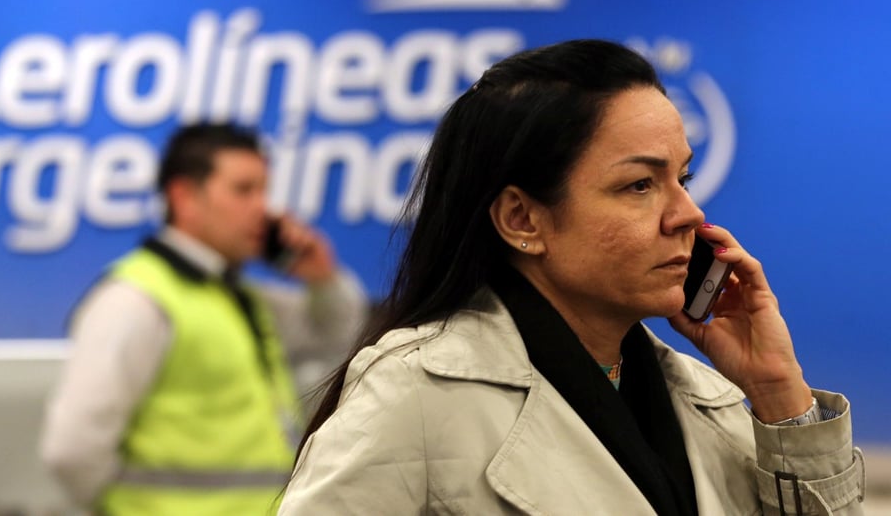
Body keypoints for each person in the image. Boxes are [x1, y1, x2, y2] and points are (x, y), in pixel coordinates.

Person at [279, 40, 865, 515]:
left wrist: (778, 395)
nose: (688, 213)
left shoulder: (714, 398)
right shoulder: (415, 393)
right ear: (522, 219)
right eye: (640, 185)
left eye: (681, 179)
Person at [41, 123, 368, 515]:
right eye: (243, 190)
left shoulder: (238, 295)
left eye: (264, 191)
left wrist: (321, 277)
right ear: (184, 197)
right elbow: (71, 450)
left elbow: (336, 331)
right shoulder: (135, 300)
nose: (263, 209)